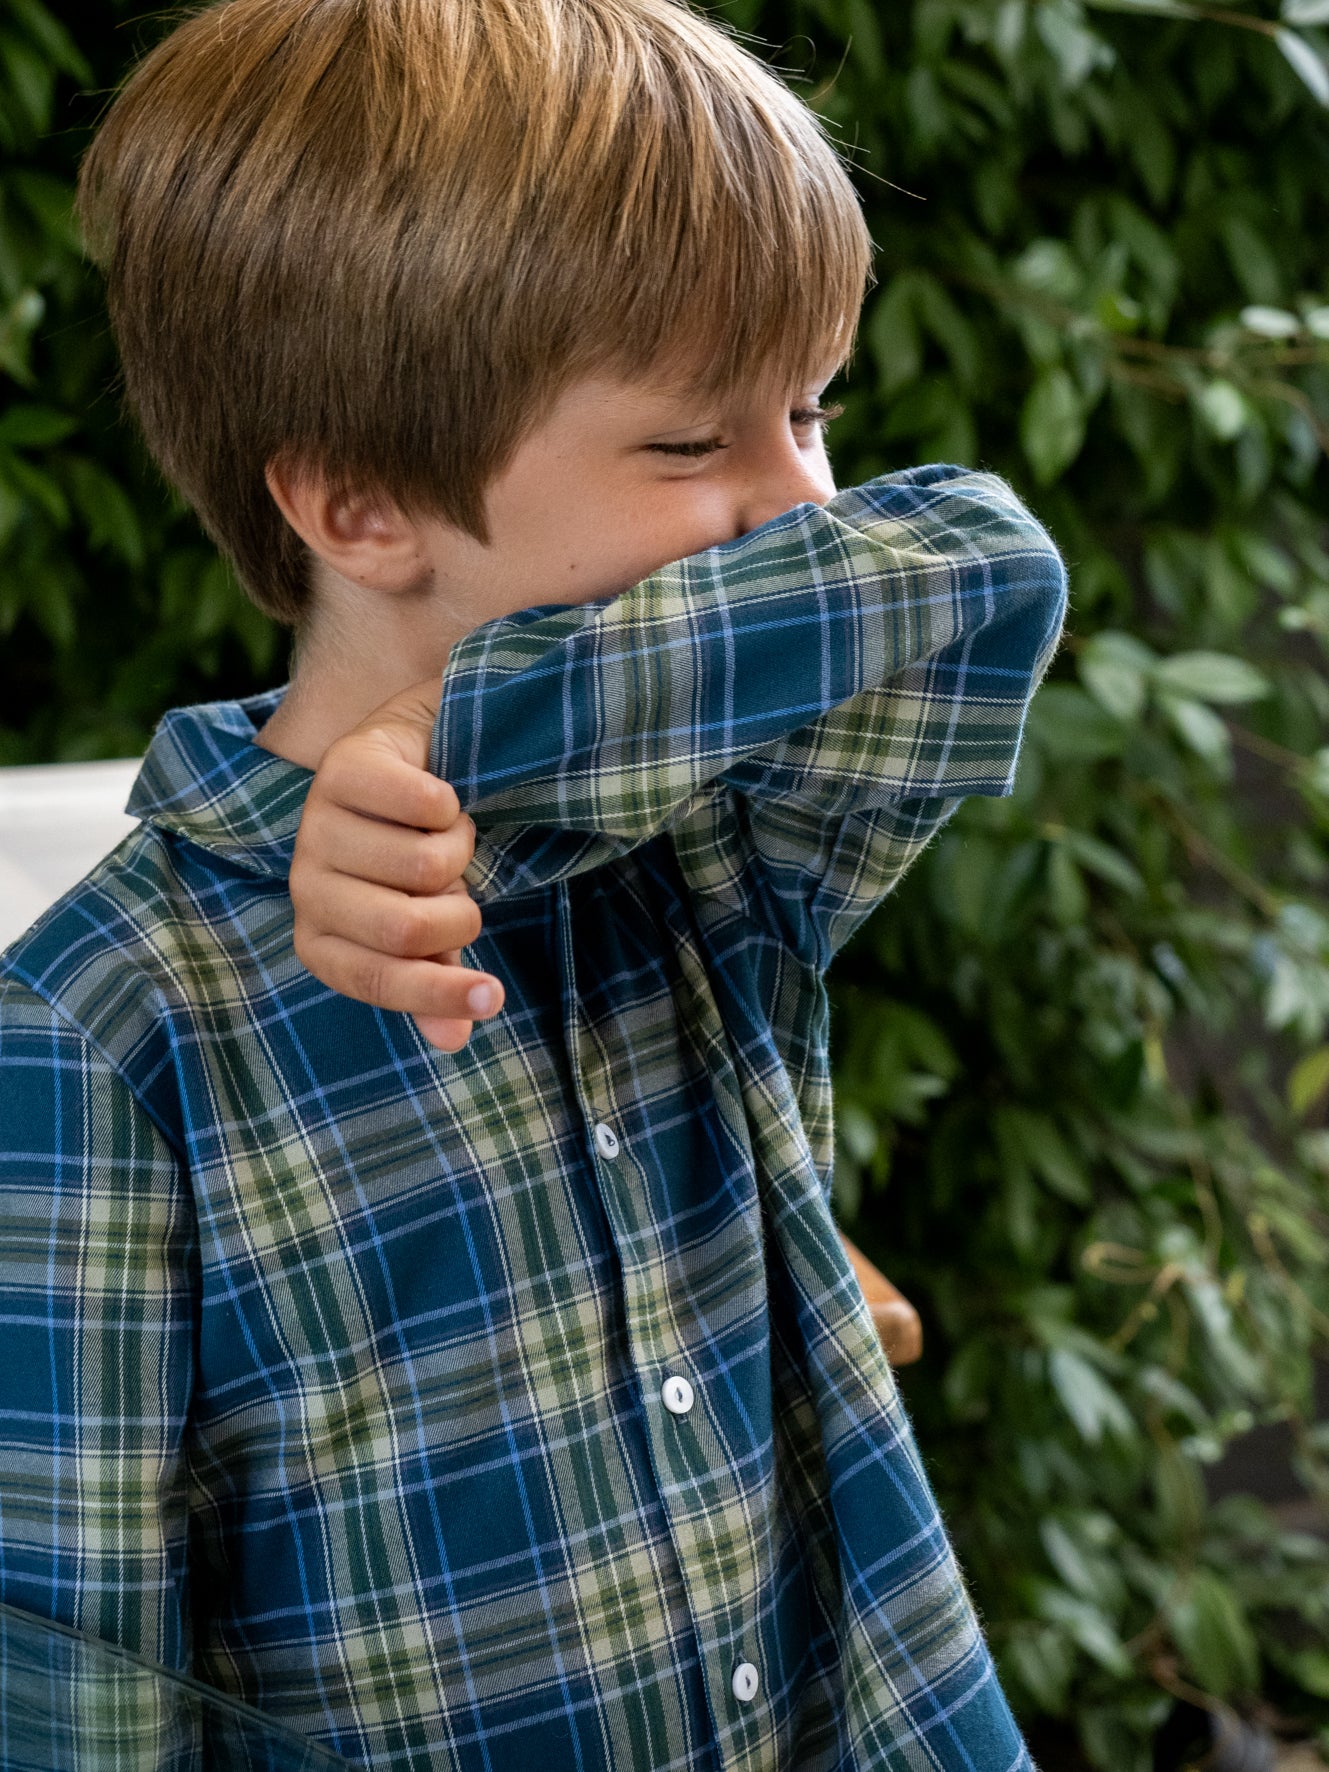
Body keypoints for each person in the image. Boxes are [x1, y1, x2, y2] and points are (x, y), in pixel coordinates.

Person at [0, 0, 1067, 1765]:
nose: (800, 503)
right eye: (691, 445)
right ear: (359, 505)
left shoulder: (707, 835)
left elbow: (978, 571)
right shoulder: (99, 1028)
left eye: (807, 411)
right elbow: (79, 1681)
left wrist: (461, 735)